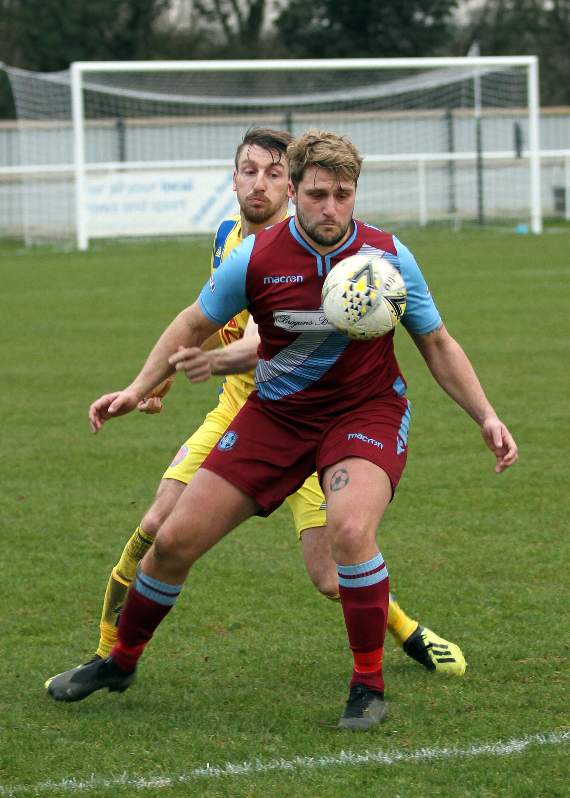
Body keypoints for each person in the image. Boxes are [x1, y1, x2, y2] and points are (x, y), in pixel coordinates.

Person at [48, 129, 515, 731]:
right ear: (294, 192)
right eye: (317, 194)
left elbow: (438, 343)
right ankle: (121, 661)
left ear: (355, 194)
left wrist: (487, 415)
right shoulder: (255, 256)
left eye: (342, 195)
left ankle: (367, 686)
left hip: (362, 414)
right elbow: (192, 321)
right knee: (172, 542)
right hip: (276, 416)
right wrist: (138, 388)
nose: (330, 208)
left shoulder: (386, 259)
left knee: (349, 531)